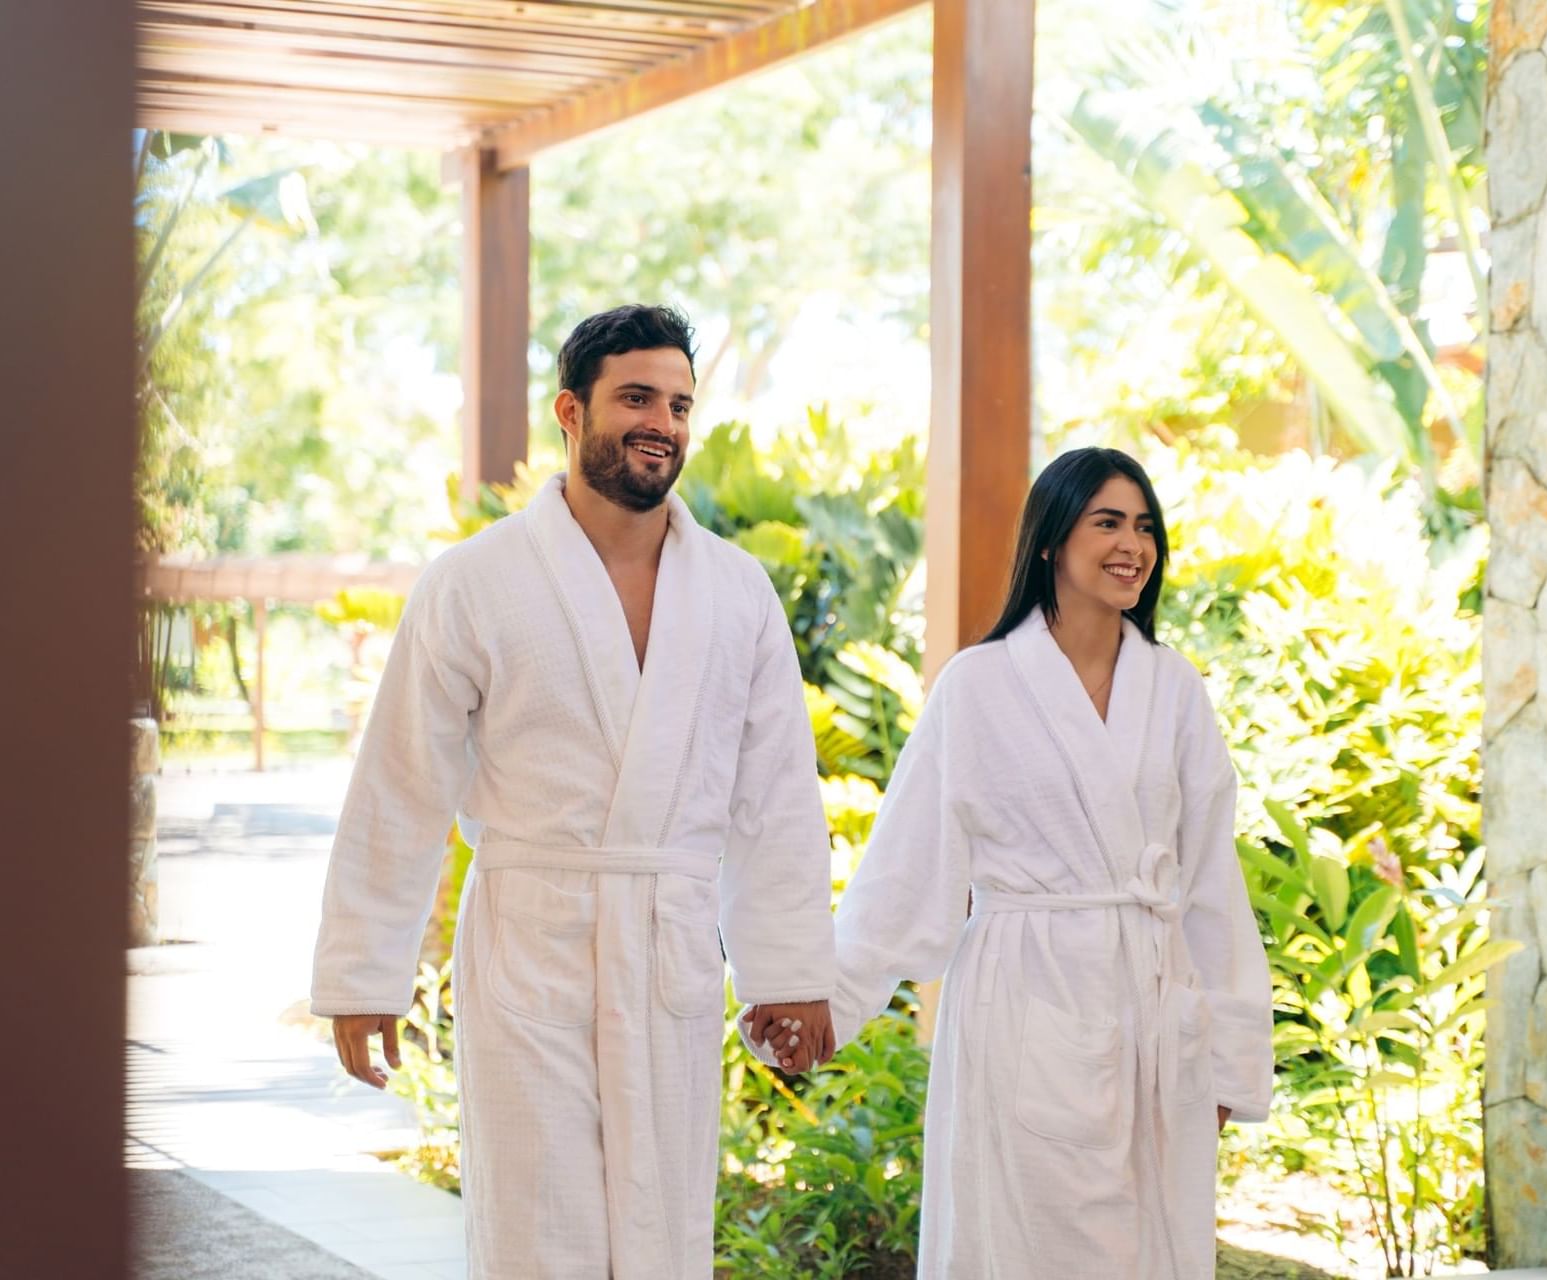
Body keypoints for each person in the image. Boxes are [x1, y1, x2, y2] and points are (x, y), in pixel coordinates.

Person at [311, 304, 837, 1279]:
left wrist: (789, 966)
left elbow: (774, 798)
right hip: (529, 944)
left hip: (667, 937)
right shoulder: (474, 581)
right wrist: (362, 974)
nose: (662, 422)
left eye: (679, 404)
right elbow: (403, 779)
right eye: (636, 397)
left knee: (664, 1222)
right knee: (538, 1222)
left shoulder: (736, 592)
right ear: (570, 409)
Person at [754, 446, 1273, 1277]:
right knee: (1028, 1236)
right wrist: (827, 999)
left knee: (1147, 1242)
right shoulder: (979, 686)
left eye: (1143, 527)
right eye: (1106, 522)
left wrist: (1228, 1055)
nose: (1130, 544)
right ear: (1049, 542)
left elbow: (1210, 881)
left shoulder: (1173, 688)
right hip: (1024, 998)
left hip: (1149, 999)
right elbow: (907, 863)